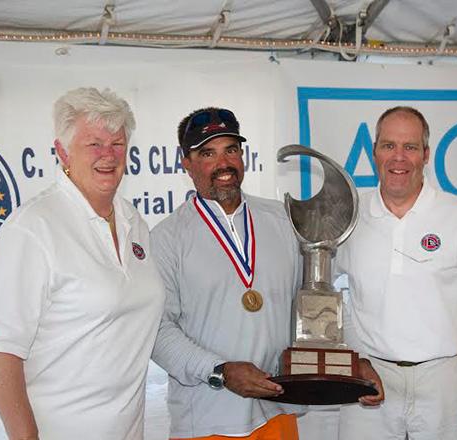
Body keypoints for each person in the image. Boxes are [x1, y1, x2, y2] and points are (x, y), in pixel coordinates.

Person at [150, 107, 382, 440]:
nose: (224, 164)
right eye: (208, 153)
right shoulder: (167, 238)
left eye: (231, 149)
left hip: (277, 411)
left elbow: (314, 302)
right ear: (186, 162)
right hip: (206, 417)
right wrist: (219, 371)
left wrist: (348, 360)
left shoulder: (283, 220)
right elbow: (157, 331)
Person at [0, 87, 165, 440]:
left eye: (117, 143)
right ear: (62, 152)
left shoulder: (134, 222)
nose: (108, 155)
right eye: (94, 144)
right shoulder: (32, 228)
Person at [335, 106, 457, 440]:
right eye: (388, 146)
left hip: (444, 382)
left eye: (410, 147)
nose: (398, 158)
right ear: (374, 152)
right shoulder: (349, 216)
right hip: (370, 380)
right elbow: (320, 295)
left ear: (426, 154)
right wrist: (352, 358)